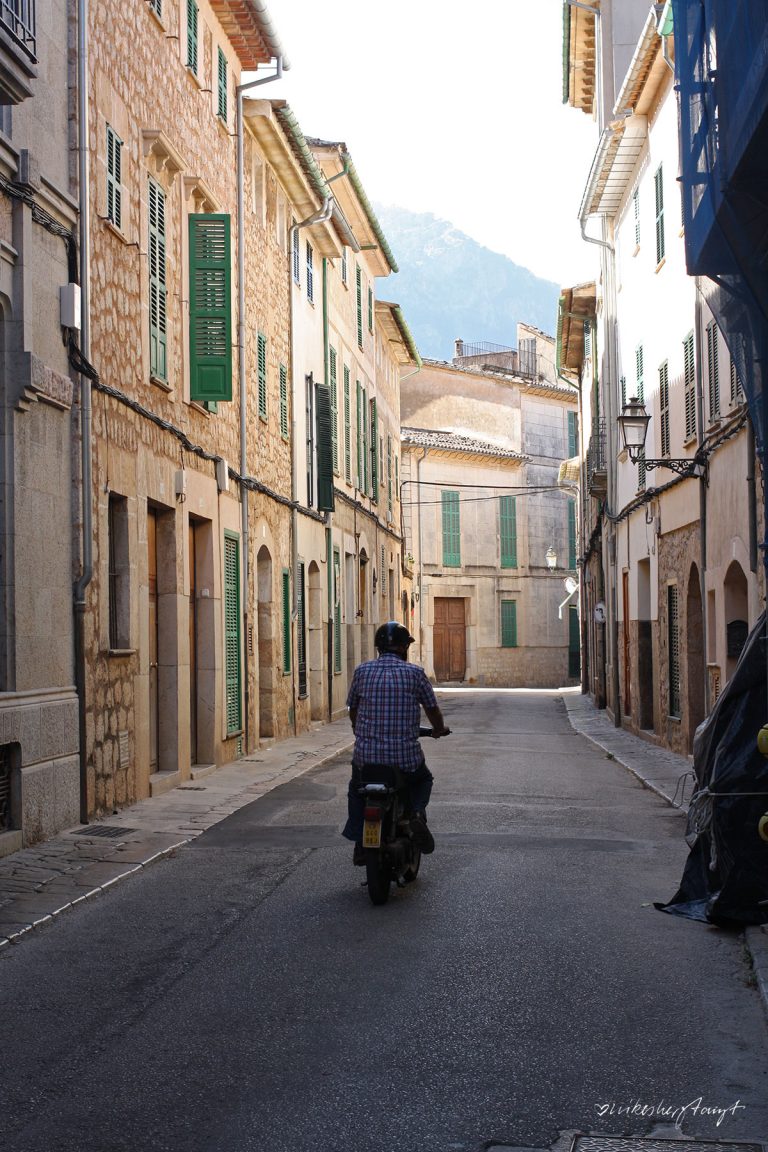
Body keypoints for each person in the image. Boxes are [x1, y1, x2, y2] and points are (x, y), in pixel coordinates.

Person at [342, 620, 449, 864]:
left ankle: (360, 839)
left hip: (366, 760)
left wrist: (359, 731)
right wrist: (439, 729)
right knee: (423, 779)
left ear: (379, 647)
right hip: (404, 761)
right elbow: (432, 709)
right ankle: (415, 815)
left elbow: (354, 710)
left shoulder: (361, 671)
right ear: (403, 648)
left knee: (356, 789)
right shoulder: (415, 674)